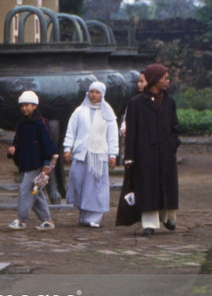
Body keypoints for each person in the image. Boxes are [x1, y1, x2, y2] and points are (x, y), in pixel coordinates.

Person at [123, 63, 180, 235]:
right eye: (164, 78)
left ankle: (166, 217)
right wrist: (130, 156)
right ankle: (149, 223)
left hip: (165, 154)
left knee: (166, 186)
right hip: (145, 154)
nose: (168, 81)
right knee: (147, 187)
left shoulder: (169, 102)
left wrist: (172, 144)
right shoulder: (136, 103)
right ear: (154, 79)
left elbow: (174, 127)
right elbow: (131, 132)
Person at [63, 81, 119, 227]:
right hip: (82, 154)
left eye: (97, 92)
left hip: (99, 156)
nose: (94, 95)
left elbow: (112, 136)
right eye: (92, 92)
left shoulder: (108, 113)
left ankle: (94, 217)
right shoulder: (79, 111)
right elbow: (71, 131)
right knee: (80, 183)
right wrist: (67, 148)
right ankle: (83, 214)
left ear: (103, 94)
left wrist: (113, 154)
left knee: (96, 186)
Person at [7, 90, 58, 231]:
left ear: (35, 106)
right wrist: (13, 149)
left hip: (37, 164)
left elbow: (48, 146)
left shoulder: (41, 124)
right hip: (27, 163)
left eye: (27, 105)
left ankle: (21, 219)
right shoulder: (22, 124)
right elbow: (17, 142)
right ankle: (47, 220)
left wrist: (47, 166)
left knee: (26, 190)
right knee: (35, 192)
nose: (24, 108)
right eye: (22, 106)